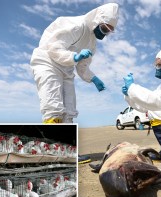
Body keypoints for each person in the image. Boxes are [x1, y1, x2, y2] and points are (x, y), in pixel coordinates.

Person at [30, 3, 119, 164]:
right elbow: (53, 46)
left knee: (69, 111)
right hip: (48, 63)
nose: (105, 34)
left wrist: (93, 78)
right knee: (53, 108)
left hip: (66, 70)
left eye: (109, 31)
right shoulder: (77, 26)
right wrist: (74, 57)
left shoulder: (92, 42)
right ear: (97, 21)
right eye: (105, 29)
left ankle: (69, 152)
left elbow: (83, 66)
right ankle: (53, 154)